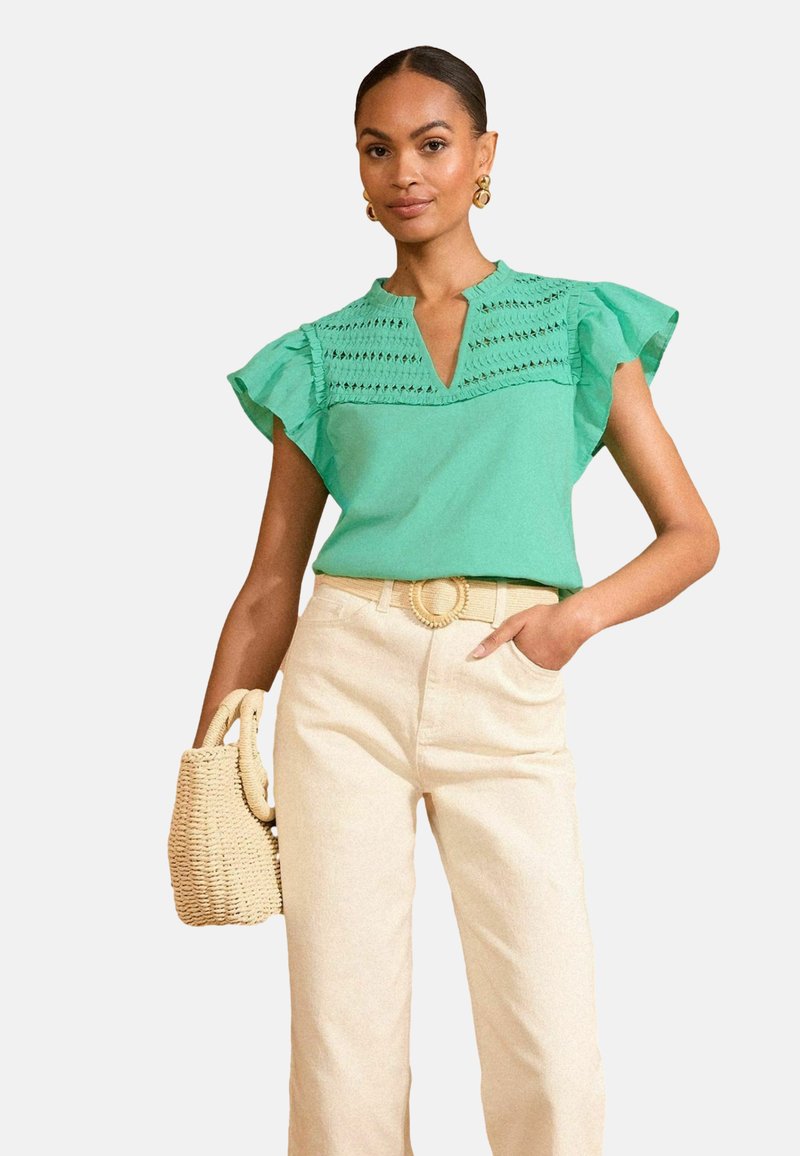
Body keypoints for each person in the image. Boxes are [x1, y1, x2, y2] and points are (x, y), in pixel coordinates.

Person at [193, 44, 719, 1156]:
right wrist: (208, 760)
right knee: (342, 1038)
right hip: (344, 679)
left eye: (432, 144)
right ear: (356, 169)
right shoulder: (320, 355)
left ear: (484, 156)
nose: (404, 173)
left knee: (548, 1037)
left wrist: (571, 621)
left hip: (505, 671)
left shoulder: (575, 322)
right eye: (376, 149)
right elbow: (271, 580)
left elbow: (690, 535)